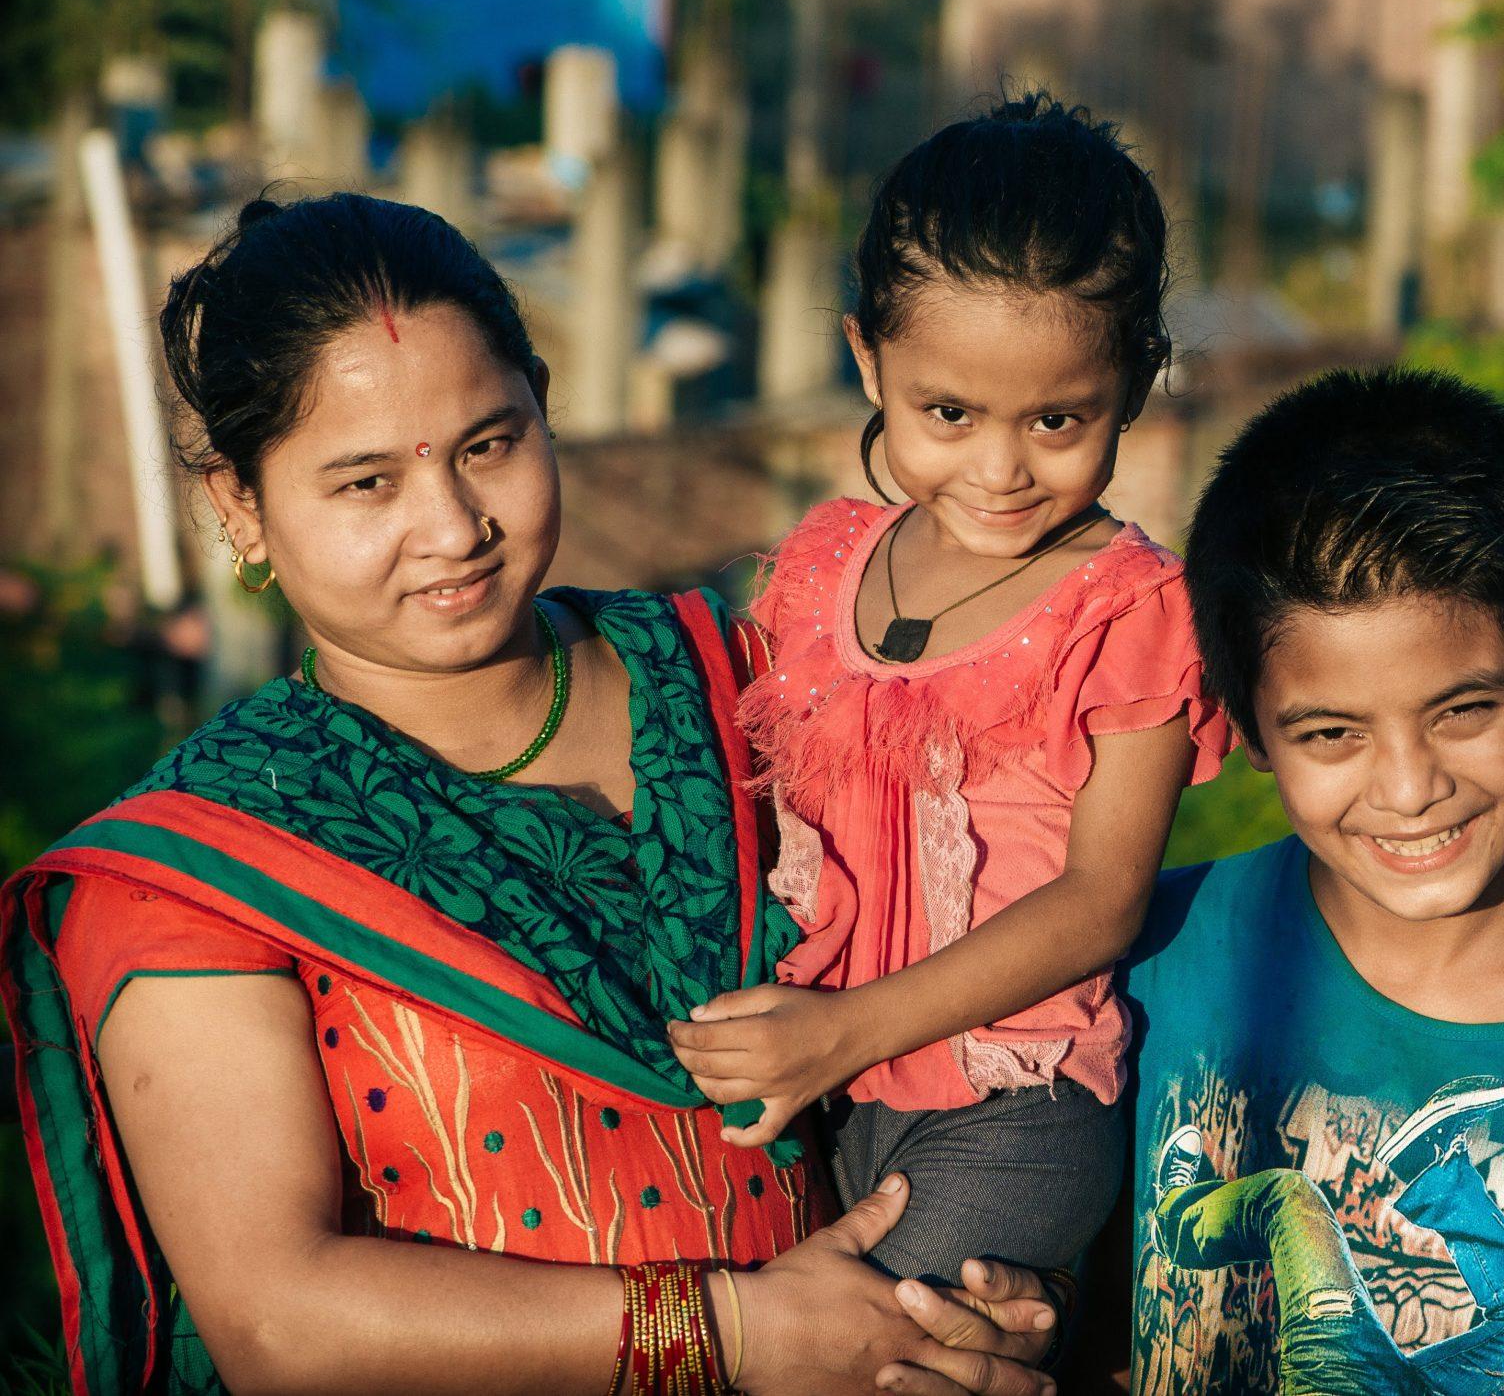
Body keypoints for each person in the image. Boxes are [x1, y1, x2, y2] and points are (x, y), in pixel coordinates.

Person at [1, 194, 1057, 1396]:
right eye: (363, 484)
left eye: (488, 443)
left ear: (545, 408)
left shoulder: (748, 681)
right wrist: (741, 1335)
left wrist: (988, 1291)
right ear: (238, 503)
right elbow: (279, 1318)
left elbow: (988, 969)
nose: (450, 525)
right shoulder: (211, 863)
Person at [666, 94, 1231, 1286]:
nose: (1000, 466)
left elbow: (1099, 900)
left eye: (1057, 418)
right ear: (867, 354)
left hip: (1010, 1104)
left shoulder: (1132, 610)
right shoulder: (821, 564)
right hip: (812, 1084)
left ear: (1137, 379)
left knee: (884, 1349)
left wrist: (840, 1033)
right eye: (949, 412)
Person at [1121, 368, 1504, 1396]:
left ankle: (1430, 1181)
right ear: (1247, 723)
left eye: (1462, 712)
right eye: (1330, 732)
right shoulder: (1157, 953)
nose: (1409, 788)